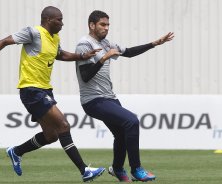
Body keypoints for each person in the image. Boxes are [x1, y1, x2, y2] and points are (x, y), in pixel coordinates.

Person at [0, 6, 105, 182]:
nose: (62, 23)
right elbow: (5, 41)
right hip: (31, 89)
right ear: (48, 20)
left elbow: (60, 55)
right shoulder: (33, 32)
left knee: (51, 136)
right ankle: (85, 170)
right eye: (59, 20)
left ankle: (16, 151)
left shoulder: (55, 37)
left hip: (45, 89)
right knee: (63, 125)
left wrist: (81, 56)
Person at [75, 10, 174, 182]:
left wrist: (154, 43)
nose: (106, 28)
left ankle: (118, 168)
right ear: (92, 25)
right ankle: (136, 169)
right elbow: (85, 76)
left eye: (108, 25)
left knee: (121, 134)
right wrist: (103, 58)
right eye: (102, 25)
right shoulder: (85, 44)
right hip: (93, 100)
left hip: (109, 98)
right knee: (131, 121)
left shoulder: (106, 43)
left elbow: (128, 52)